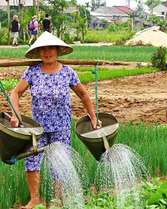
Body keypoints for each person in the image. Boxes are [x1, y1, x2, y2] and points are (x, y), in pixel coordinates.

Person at [10, 32, 98, 209]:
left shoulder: (67, 72)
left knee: (59, 163)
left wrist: (94, 116)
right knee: (32, 161)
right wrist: (15, 115)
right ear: (38, 52)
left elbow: (83, 94)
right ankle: (35, 199)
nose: (47, 52)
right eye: (42, 49)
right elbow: (15, 93)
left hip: (61, 127)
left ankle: (57, 199)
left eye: (50, 48)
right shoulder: (32, 72)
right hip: (37, 128)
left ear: (58, 51)